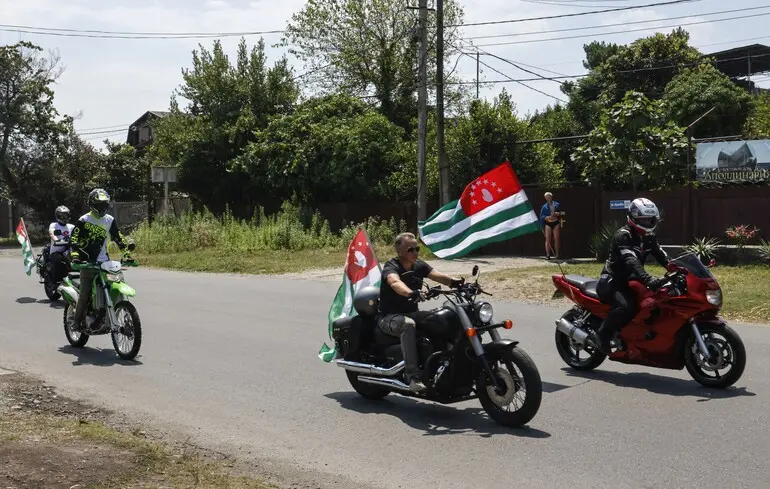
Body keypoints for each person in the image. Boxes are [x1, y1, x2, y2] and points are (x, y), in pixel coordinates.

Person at [378, 232, 464, 393]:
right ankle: (413, 377)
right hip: (389, 317)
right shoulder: (392, 266)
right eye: (411, 250)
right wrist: (411, 293)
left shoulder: (418, 265)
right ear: (399, 251)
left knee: (443, 318)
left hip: (412, 313)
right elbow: (395, 282)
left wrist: (456, 282)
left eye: (417, 248)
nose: (415, 252)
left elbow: (437, 275)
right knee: (408, 325)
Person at [591, 198, 670, 354]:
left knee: (653, 302)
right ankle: (601, 335)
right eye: (644, 220)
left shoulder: (649, 237)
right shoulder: (623, 236)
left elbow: (662, 256)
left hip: (631, 280)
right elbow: (631, 261)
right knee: (626, 308)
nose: (647, 222)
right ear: (633, 218)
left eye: (650, 219)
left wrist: (679, 269)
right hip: (613, 282)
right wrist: (648, 279)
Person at [68, 188, 135, 332]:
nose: (102, 208)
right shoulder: (84, 220)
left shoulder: (109, 220)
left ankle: (112, 315)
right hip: (88, 263)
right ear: (92, 204)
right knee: (85, 294)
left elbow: (118, 238)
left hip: (106, 263)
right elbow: (74, 240)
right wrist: (75, 256)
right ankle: (76, 321)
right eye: (99, 205)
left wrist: (127, 254)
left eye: (105, 205)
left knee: (116, 285)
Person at [46, 205, 75, 281]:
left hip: (69, 250)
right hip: (57, 251)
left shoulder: (71, 226)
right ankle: (55, 283)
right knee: (58, 260)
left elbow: (79, 233)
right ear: (58, 216)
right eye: (62, 216)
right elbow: (52, 233)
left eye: (66, 215)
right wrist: (56, 240)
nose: (64, 217)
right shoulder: (54, 225)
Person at [539, 192, 563, 260]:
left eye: (549, 197)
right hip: (548, 223)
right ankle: (548, 255)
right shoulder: (544, 207)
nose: (548, 198)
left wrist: (558, 213)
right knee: (548, 239)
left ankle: (557, 255)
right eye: (546, 197)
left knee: (556, 239)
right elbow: (542, 216)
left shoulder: (557, 204)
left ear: (551, 197)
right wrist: (546, 217)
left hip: (556, 222)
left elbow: (563, 213)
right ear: (545, 198)